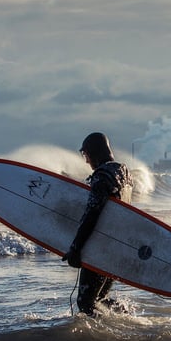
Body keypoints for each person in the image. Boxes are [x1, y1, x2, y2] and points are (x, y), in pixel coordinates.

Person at [61, 132, 133, 315]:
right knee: (99, 299)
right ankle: (125, 317)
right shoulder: (123, 172)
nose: (86, 161)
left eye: (86, 155)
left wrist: (76, 248)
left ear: (94, 152)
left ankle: (105, 337)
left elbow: (92, 214)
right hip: (116, 246)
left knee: (85, 302)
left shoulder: (102, 176)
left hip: (101, 247)